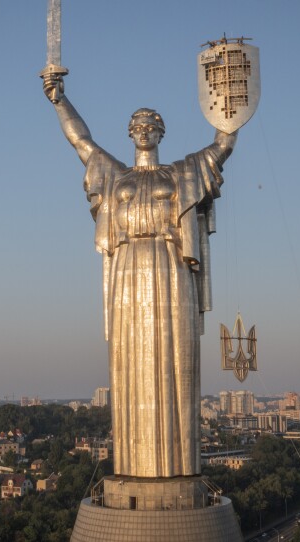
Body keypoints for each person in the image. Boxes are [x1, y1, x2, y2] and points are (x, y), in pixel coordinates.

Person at [44, 74, 237, 478]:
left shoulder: (179, 174)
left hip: (170, 264)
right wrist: (60, 101)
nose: (144, 130)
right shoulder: (118, 177)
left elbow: (222, 146)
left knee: (176, 356)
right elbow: (82, 143)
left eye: (151, 125)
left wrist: (231, 102)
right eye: (138, 125)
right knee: (129, 357)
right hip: (129, 267)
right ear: (130, 134)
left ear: (162, 133)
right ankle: (134, 467)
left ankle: (179, 468)